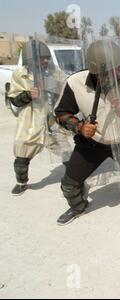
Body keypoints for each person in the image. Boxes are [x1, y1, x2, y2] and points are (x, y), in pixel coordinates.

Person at [54, 40, 120, 248]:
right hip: (92, 143)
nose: (118, 75)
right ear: (96, 70)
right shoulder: (75, 82)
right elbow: (61, 114)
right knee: (69, 185)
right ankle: (79, 207)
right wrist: (79, 126)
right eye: (111, 71)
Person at [8, 41, 64, 196]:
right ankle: (21, 183)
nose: (45, 61)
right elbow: (13, 99)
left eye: (47, 58)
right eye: (41, 58)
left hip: (51, 121)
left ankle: (76, 180)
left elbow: (64, 91)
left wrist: (50, 86)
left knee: (67, 153)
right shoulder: (20, 75)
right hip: (30, 122)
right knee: (21, 157)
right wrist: (27, 95)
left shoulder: (55, 72)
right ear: (30, 60)